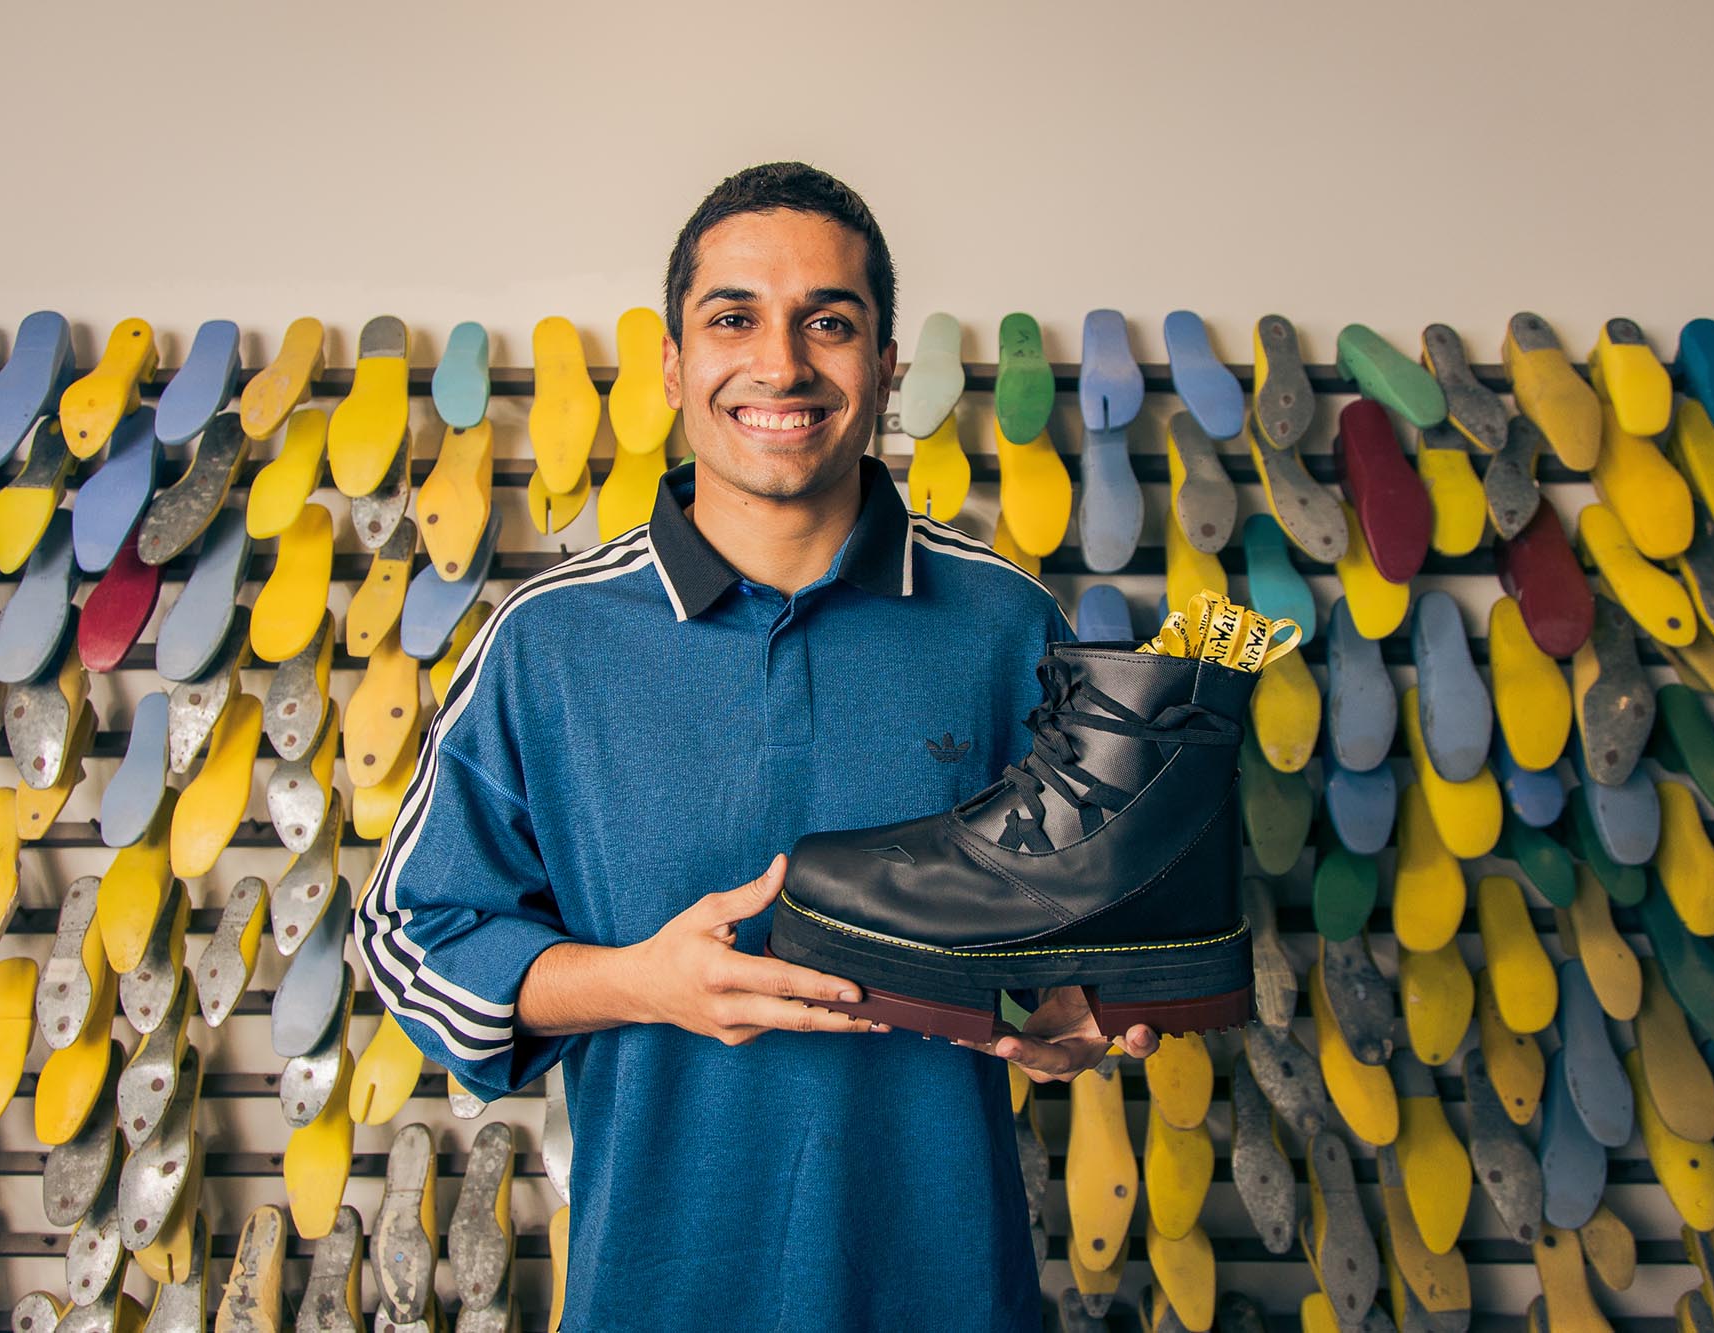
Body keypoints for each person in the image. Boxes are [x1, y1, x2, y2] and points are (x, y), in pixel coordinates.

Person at [354, 161, 1160, 1331]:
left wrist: (1083, 1001)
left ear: (886, 365)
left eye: (827, 322)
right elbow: (407, 935)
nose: (780, 365)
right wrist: (637, 982)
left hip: (944, 1288)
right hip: (657, 1292)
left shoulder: (1005, 623)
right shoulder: (547, 640)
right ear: (672, 365)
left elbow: (1090, 926)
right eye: (732, 318)